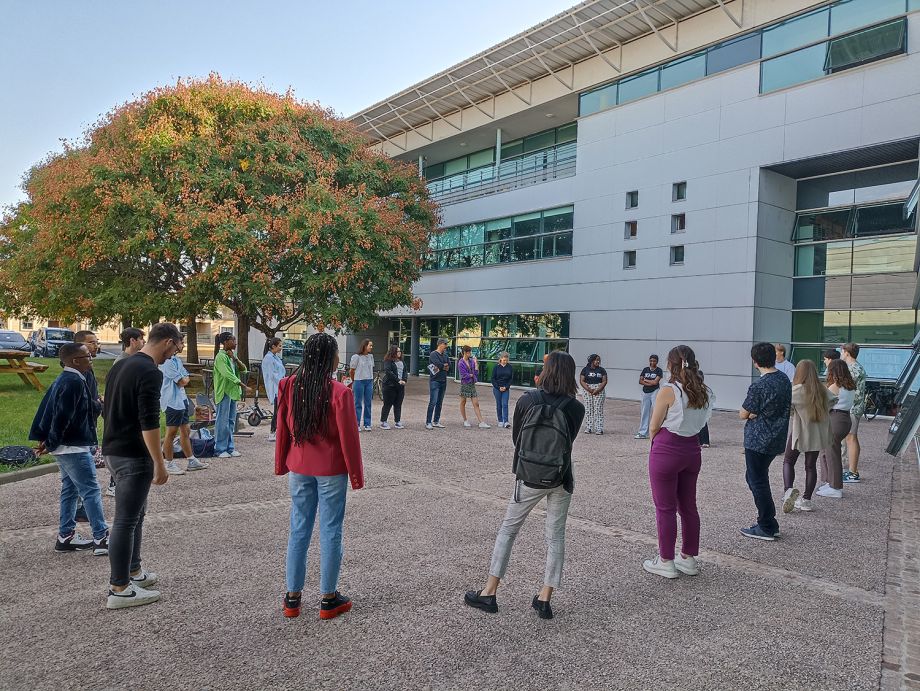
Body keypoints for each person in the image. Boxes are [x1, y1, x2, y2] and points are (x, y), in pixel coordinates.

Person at [464, 351, 585, 620]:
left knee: (508, 530)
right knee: (555, 536)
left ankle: (490, 591)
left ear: (547, 370)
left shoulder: (528, 400)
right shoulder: (576, 407)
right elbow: (569, 441)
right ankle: (544, 598)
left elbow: (517, 438)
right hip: (560, 476)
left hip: (529, 474)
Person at [275, 332, 364, 620]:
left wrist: (281, 462)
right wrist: (356, 475)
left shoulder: (289, 385)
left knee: (298, 528)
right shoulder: (340, 392)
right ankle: (328, 598)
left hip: (299, 466)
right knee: (330, 529)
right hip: (330, 469)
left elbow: (282, 430)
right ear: (330, 358)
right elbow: (349, 438)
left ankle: (293, 597)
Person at [103, 322, 181, 609]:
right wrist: (159, 463)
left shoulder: (121, 365)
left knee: (135, 516)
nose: (173, 356)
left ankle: (133, 571)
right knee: (125, 520)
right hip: (132, 453)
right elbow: (149, 421)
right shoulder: (149, 371)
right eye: (176, 349)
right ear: (169, 342)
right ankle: (120, 587)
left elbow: (106, 407)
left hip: (113, 447)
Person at [29, 343, 109, 555]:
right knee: (91, 491)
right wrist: (52, 442)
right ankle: (101, 538)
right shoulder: (73, 381)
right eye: (87, 356)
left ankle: (66, 536)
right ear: (75, 360)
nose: (91, 358)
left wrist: (49, 441)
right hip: (72, 447)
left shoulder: (68, 379)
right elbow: (61, 416)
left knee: (70, 489)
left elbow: (52, 410)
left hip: (67, 446)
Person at [642, 345, 712, 579]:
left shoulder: (668, 390)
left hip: (668, 447)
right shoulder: (703, 390)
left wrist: (655, 442)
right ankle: (688, 557)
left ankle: (665, 560)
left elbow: (654, 425)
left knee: (665, 507)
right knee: (688, 506)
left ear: (671, 364)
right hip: (692, 448)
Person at [739, 342, 791, 541]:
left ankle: (767, 524)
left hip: (757, 439)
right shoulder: (784, 379)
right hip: (776, 437)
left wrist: (752, 414)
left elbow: (743, 413)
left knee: (757, 481)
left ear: (754, 362)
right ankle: (769, 522)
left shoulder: (759, 385)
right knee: (756, 478)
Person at [781, 360, 836, 513]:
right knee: (810, 466)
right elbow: (833, 400)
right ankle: (806, 500)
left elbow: (787, 407)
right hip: (817, 434)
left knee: (788, 461)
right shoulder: (823, 390)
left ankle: (788, 491)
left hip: (800, 431)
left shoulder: (797, 390)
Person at [160, 337, 208, 474]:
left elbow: (185, 376)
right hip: (172, 401)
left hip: (181, 400)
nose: (183, 345)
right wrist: (184, 378)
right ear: (173, 343)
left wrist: (184, 378)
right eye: (181, 343)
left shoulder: (176, 360)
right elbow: (181, 381)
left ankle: (191, 460)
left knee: (185, 431)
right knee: (171, 433)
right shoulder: (167, 362)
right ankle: (168, 463)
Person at [74, 330, 110, 500]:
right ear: (80, 346)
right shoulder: (81, 372)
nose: (95, 346)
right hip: (82, 428)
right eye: (91, 342)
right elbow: (83, 402)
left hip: (90, 424)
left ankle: (75, 510)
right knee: (84, 473)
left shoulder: (88, 369)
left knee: (77, 475)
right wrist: (99, 404)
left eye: (96, 342)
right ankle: (81, 507)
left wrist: (98, 399)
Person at [816, 359, 855, 499]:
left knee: (832, 454)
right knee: (827, 452)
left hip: (835, 420)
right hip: (845, 419)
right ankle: (830, 482)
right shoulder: (850, 386)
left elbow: (822, 405)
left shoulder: (835, 386)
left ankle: (835, 487)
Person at [213, 333, 251, 458]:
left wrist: (235, 359)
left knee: (230, 421)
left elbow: (244, 369)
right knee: (222, 421)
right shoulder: (220, 357)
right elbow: (227, 374)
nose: (235, 342)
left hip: (233, 392)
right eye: (233, 340)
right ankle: (220, 448)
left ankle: (230, 447)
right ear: (226, 342)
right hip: (224, 392)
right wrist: (243, 386)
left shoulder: (231, 356)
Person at [841, 343, 866, 483]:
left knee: (851, 438)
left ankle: (853, 473)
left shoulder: (853, 369)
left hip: (852, 408)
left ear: (847, 353)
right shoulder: (855, 367)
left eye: (842, 351)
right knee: (849, 438)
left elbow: (845, 388)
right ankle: (850, 471)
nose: (841, 354)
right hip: (852, 408)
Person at [458, 346, 490, 429]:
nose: (470, 354)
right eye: (469, 352)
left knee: (476, 403)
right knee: (463, 402)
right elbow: (463, 375)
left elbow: (476, 372)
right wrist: (471, 375)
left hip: (472, 384)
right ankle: (465, 420)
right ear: (465, 352)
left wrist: (476, 363)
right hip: (465, 384)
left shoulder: (471, 361)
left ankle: (481, 422)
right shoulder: (461, 362)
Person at [262, 337, 287, 443]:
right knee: (277, 411)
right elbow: (272, 375)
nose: (281, 348)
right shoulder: (268, 359)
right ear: (273, 346)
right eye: (279, 346)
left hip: (280, 386)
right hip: (276, 387)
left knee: (280, 410)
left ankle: (278, 431)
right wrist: (282, 382)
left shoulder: (275, 357)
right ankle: (273, 432)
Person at [635, 354, 663, 439]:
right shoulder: (645, 369)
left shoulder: (659, 370)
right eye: (651, 360)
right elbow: (640, 381)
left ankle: (657, 432)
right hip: (645, 392)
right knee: (644, 412)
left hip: (655, 392)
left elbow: (655, 382)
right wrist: (650, 382)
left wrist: (646, 380)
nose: (652, 362)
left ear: (657, 362)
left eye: (654, 361)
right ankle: (643, 432)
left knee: (656, 411)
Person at [349, 339, 375, 432]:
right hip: (359, 381)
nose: (371, 347)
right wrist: (354, 380)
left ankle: (367, 424)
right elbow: (351, 370)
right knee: (358, 403)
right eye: (370, 345)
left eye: (372, 346)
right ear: (365, 346)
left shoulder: (371, 357)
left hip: (369, 381)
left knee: (368, 403)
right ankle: (357, 423)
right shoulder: (356, 357)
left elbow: (371, 369)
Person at [425, 338, 451, 430]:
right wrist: (443, 365)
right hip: (435, 381)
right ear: (440, 344)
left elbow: (449, 366)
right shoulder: (433, 354)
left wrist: (443, 366)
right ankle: (428, 422)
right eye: (445, 344)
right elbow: (438, 364)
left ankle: (436, 421)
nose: (446, 346)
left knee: (440, 402)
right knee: (433, 401)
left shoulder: (445, 355)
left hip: (443, 380)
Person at [380, 346, 407, 429]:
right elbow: (388, 372)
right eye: (397, 351)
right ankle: (383, 421)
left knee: (398, 404)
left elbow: (405, 371)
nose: (399, 353)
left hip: (400, 386)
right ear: (393, 352)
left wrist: (404, 380)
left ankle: (397, 421)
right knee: (387, 404)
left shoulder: (402, 361)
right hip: (389, 386)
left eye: (400, 351)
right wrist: (398, 380)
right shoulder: (388, 361)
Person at [579, 354, 607, 435]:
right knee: (588, 409)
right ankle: (589, 427)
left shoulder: (602, 370)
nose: (598, 361)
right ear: (591, 361)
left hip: (599, 390)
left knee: (598, 409)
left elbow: (604, 381)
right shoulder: (585, 370)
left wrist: (598, 389)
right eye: (596, 360)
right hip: (587, 390)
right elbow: (582, 380)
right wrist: (589, 389)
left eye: (599, 360)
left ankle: (599, 428)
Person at [492, 351, 513, 428]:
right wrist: (498, 387)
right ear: (500, 359)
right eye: (504, 360)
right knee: (499, 404)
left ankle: (506, 421)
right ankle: (500, 420)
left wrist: (506, 387)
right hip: (497, 388)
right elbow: (493, 379)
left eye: (506, 360)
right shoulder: (496, 367)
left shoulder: (510, 367)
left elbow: (511, 379)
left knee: (505, 404)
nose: (505, 362)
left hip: (506, 388)